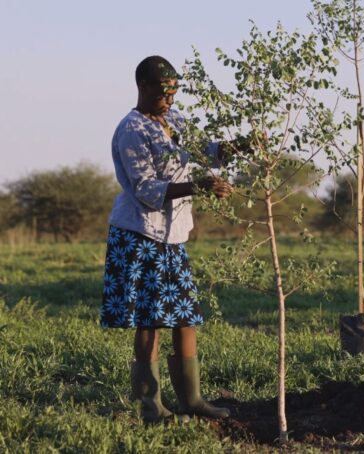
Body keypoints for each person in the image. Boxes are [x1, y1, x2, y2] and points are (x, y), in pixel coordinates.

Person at [101, 55, 234, 423]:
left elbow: (203, 149)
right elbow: (145, 189)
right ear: (142, 87)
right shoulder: (131, 130)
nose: (169, 100)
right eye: (163, 92)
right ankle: (151, 407)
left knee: (184, 317)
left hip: (172, 236)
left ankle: (191, 400)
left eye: (173, 93)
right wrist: (199, 185)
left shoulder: (173, 120)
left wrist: (234, 148)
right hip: (140, 234)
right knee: (150, 321)